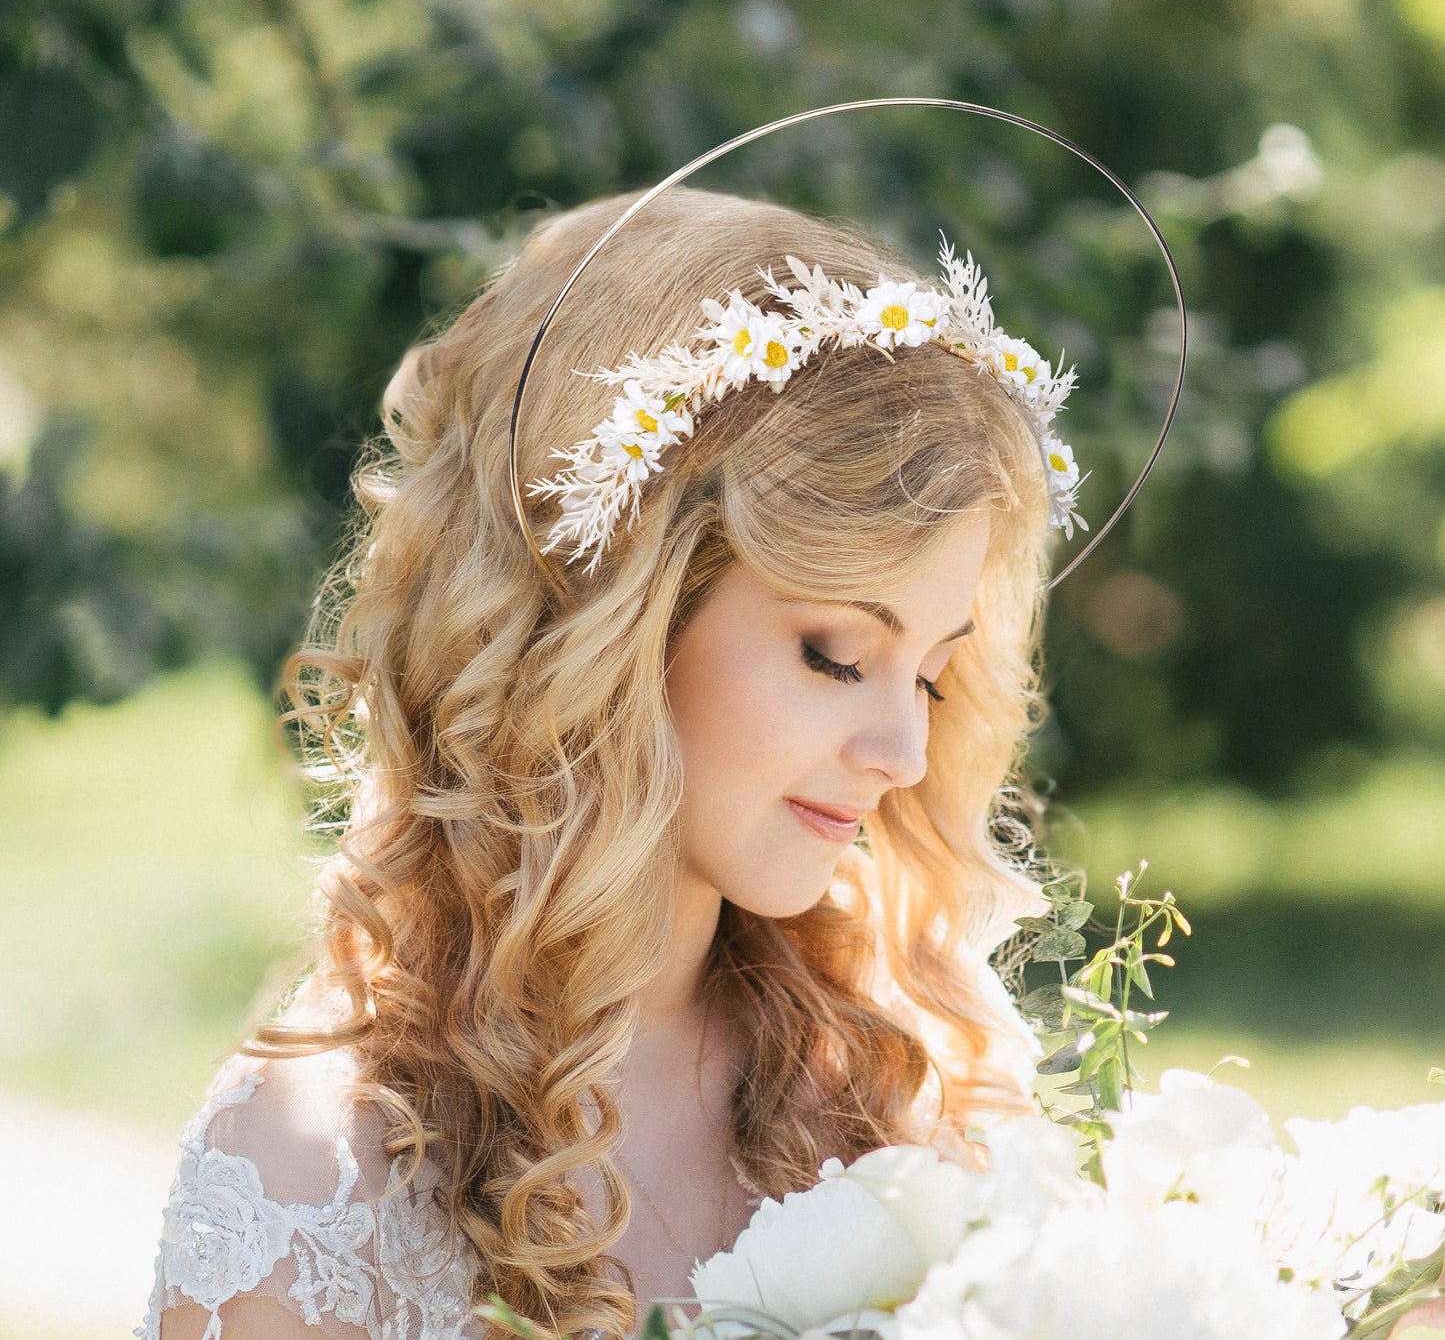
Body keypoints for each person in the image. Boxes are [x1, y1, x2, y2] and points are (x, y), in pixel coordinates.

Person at [139, 186, 1062, 1340]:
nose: (901, 750)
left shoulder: (902, 1100)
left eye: (927, 673)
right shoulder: (312, 1182)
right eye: (833, 655)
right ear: (615, 628)